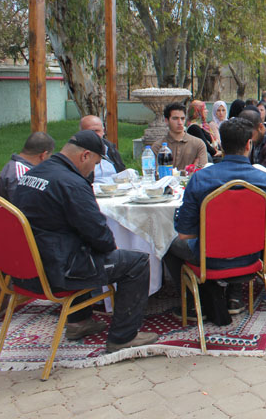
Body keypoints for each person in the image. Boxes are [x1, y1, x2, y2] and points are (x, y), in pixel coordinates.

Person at [11, 130, 157, 352]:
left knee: (81, 244)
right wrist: (111, 246)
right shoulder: (72, 183)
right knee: (136, 262)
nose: (93, 170)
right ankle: (123, 337)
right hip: (58, 271)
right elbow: (98, 234)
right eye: (96, 164)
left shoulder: (33, 173)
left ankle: (79, 322)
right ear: (85, 155)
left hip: (26, 267)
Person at [167, 117, 266, 318]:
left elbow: (185, 234)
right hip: (251, 256)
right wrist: (254, 236)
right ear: (249, 144)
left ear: (221, 146)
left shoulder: (200, 178)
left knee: (169, 246)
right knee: (238, 237)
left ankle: (193, 304)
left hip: (208, 258)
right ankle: (235, 296)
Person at [151, 102, 208, 171]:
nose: (180, 122)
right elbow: (155, 172)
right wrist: (189, 169)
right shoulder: (158, 146)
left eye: (182, 118)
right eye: (175, 118)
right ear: (166, 121)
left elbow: (202, 171)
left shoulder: (198, 144)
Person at [0, 131, 54, 200]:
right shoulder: (22, 174)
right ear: (43, 155)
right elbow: (22, 204)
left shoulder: (18, 168)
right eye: (49, 156)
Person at [80, 115, 126, 183]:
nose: (94, 135)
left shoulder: (110, 148)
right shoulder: (77, 152)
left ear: (103, 131)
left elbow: (122, 170)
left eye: (97, 131)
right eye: (90, 131)